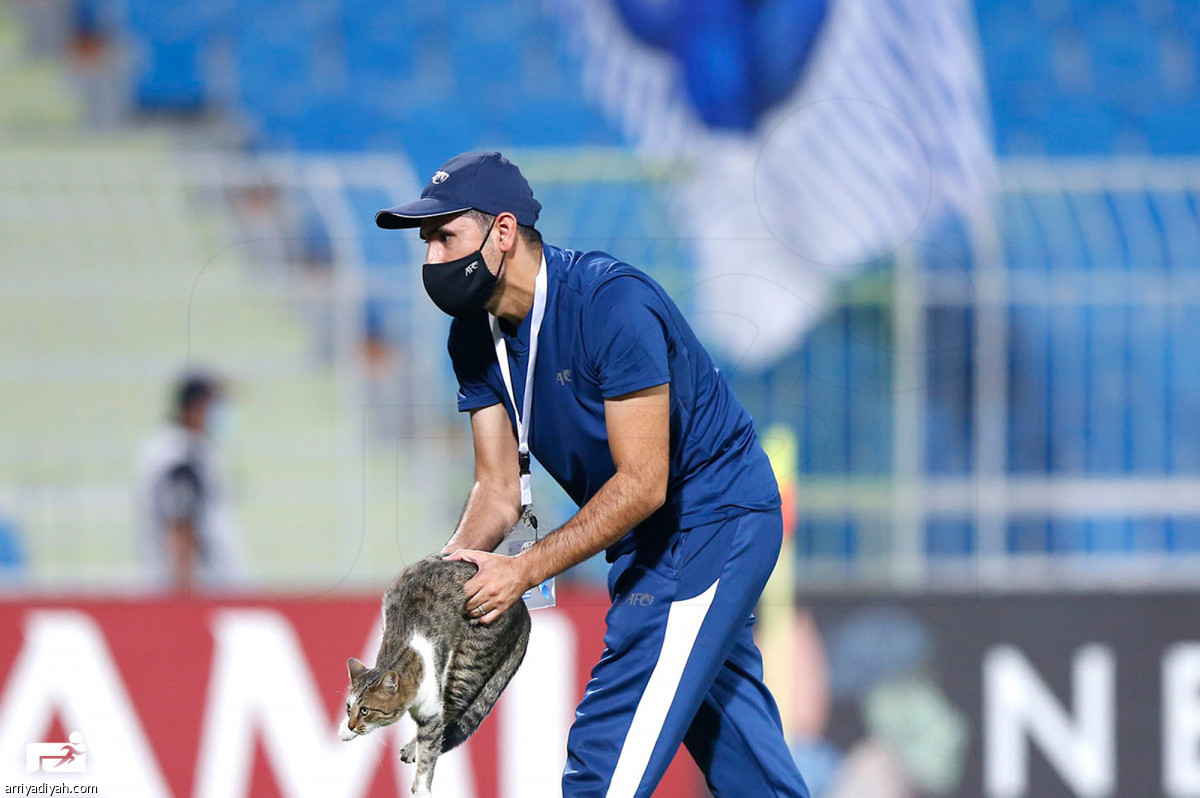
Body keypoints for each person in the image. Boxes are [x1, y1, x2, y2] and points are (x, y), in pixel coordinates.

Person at [376, 151, 809, 797]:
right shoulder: (473, 336)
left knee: (605, 758)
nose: (432, 258)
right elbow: (498, 488)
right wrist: (447, 581)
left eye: (445, 236)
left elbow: (643, 482)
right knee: (742, 757)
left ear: (502, 231)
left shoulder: (611, 303)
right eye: (426, 243)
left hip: (713, 519)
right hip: (647, 540)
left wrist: (523, 569)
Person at [134, 373, 245, 594]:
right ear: (194, 408)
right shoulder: (181, 455)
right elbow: (180, 526)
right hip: (203, 591)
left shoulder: (182, 449)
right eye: (217, 407)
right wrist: (186, 599)